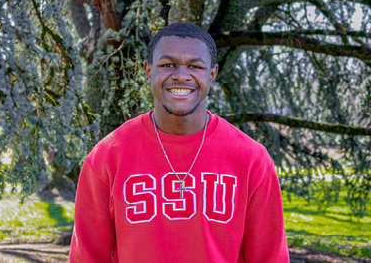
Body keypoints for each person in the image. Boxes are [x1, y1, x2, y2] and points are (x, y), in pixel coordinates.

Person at [69, 23, 289, 262]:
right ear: (149, 71)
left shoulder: (251, 160)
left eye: (195, 66)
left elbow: (270, 257)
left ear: (212, 75)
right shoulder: (107, 156)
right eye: (167, 65)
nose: (182, 75)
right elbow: (87, 256)